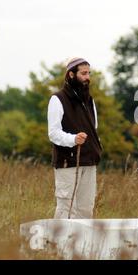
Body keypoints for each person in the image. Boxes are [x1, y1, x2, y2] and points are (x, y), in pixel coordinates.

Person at [47, 57, 102, 219]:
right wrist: (72, 139)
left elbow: (94, 129)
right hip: (68, 163)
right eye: (83, 73)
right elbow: (53, 133)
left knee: (86, 210)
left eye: (89, 73)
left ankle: (84, 245)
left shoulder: (90, 101)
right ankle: (60, 245)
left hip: (89, 162)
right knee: (67, 210)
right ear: (71, 75)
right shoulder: (57, 99)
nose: (87, 77)